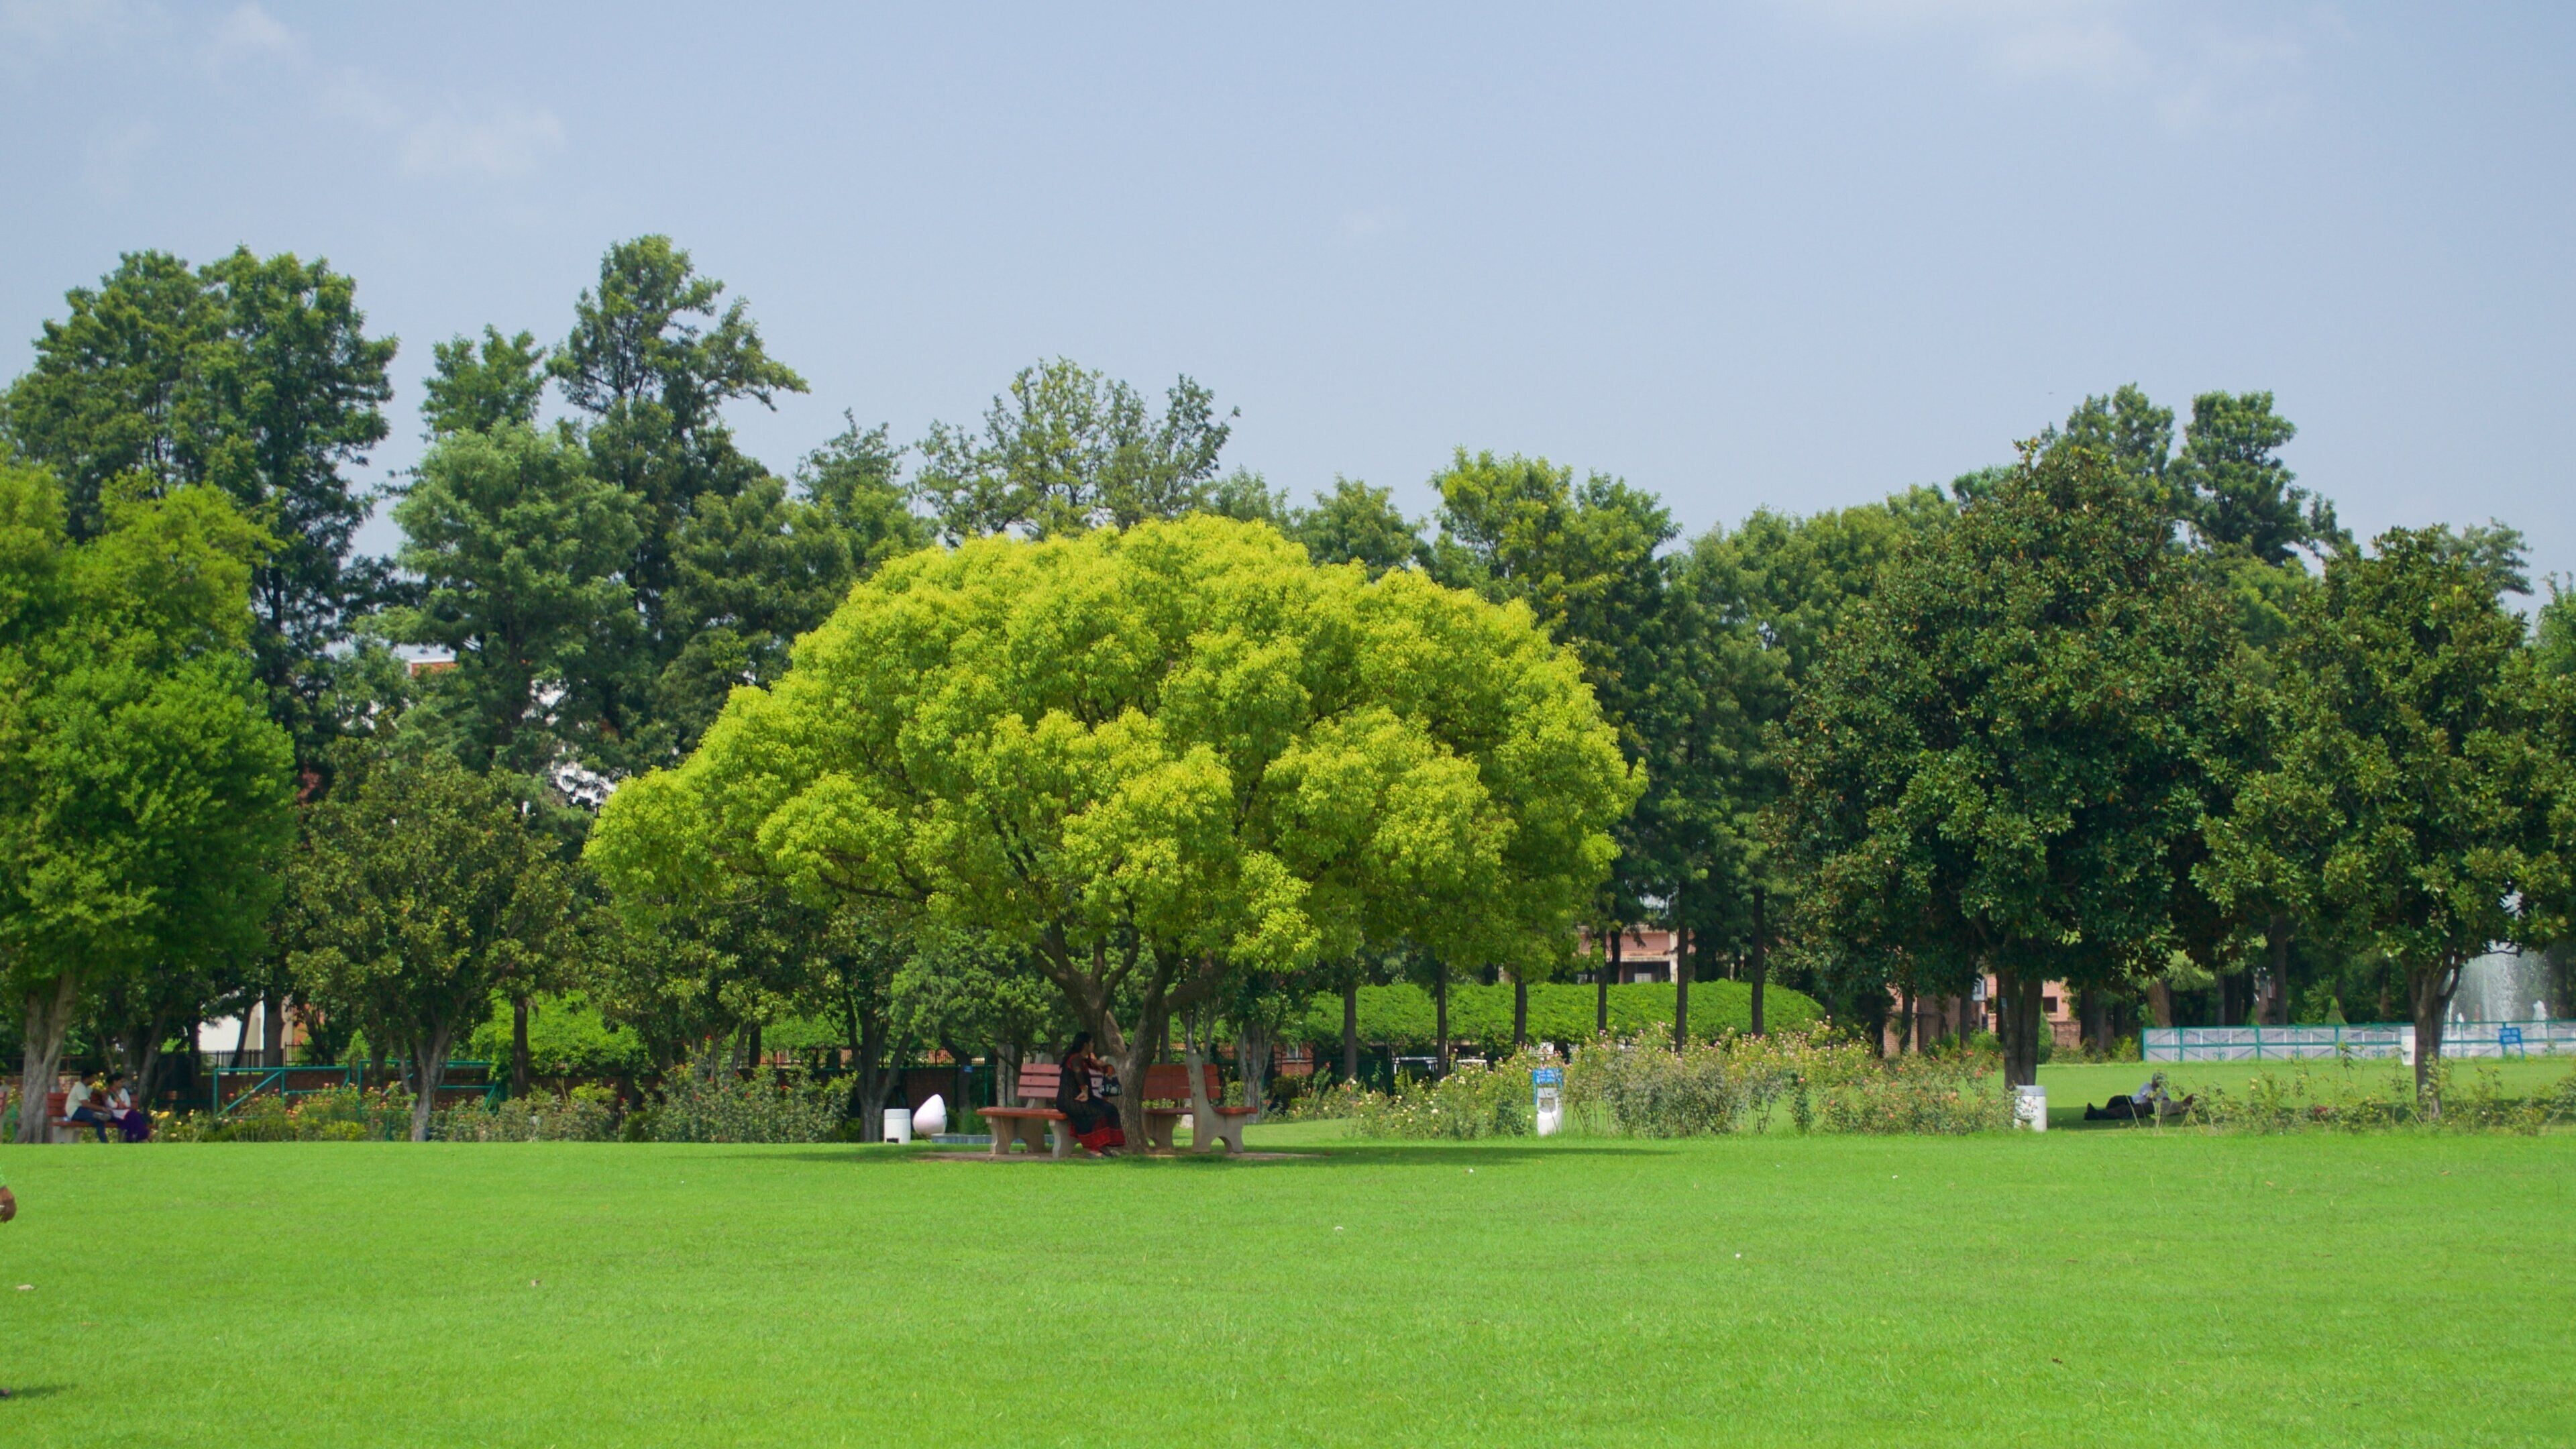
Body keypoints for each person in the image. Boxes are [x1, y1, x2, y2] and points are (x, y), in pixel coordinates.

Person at [1055, 1033, 1125, 1155]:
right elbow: (1077, 1072)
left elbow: (1098, 1065)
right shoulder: (1075, 1058)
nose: (1093, 1045)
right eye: (1092, 1042)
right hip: (1069, 1101)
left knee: (1110, 1109)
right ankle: (1093, 1148)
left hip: (1081, 1100)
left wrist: (1108, 1068)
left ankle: (1103, 1146)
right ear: (1085, 1045)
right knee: (1097, 1112)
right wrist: (1085, 1090)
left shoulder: (1085, 1061)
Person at [2084, 1070, 2196, 1122]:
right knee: (2117, 1104)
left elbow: (2160, 1100)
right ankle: (2099, 1113)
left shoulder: (2178, 1105)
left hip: (2144, 1107)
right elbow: (2151, 1097)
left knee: (2122, 1110)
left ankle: (2097, 1114)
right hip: (2137, 1102)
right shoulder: (2148, 1086)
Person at [62, 1073, 116, 1143]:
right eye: (93, 1078)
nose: (94, 1080)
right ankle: (97, 1114)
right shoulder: (80, 1087)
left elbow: (94, 1090)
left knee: (99, 1121)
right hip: (75, 1111)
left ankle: (105, 1144)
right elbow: (85, 1104)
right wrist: (102, 1109)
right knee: (92, 1114)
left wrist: (102, 1093)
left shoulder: (87, 1087)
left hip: (84, 1112)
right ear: (88, 1078)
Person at [103, 1071, 151, 1142]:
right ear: (115, 1082)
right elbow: (111, 1105)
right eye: (121, 1082)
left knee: (136, 1116)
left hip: (126, 1113)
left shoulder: (124, 1091)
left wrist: (119, 1105)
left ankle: (138, 1137)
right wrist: (122, 1105)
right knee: (135, 1116)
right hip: (115, 1115)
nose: (122, 1084)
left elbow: (128, 1104)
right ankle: (144, 1136)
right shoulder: (107, 1093)